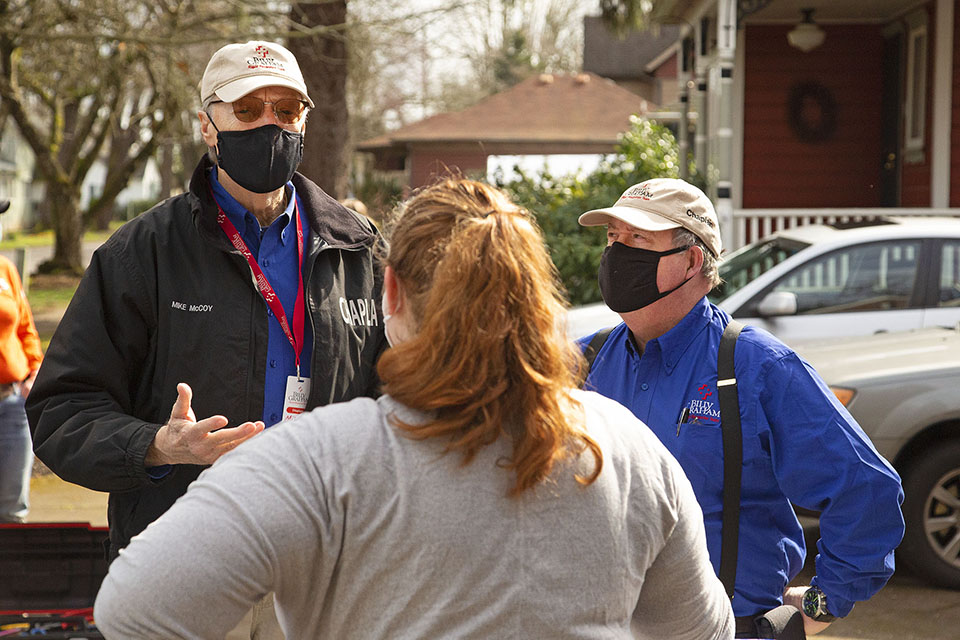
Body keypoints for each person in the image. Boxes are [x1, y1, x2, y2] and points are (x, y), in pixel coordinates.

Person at [93, 178, 735, 639]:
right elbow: (703, 631)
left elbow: (132, 609)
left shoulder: (319, 461)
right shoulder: (627, 448)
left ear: (390, 290)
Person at [26, 41, 385, 559]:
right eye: (246, 109)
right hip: (183, 558)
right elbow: (61, 413)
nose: (270, 125)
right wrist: (159, 445)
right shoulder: (139, 254)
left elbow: (394, 397)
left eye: (287, 111)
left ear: (304, 121)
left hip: (323, 561)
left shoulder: (359, 249)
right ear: (206, 124)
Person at [577, 178, 905, 638]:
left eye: (637, 239)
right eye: (613, 238)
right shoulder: (579, 366)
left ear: (692, 261)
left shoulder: (757, 368)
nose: (616, 253)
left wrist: (822, 601)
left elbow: (866, 492)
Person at [0, 199, 43, 524]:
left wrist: (33, 369)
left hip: (12, 404)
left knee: (13, 512)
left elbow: (26, 327)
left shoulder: (6, 270)